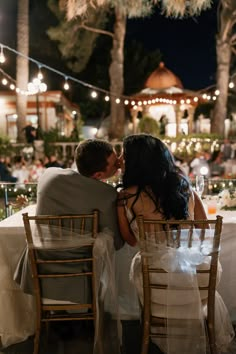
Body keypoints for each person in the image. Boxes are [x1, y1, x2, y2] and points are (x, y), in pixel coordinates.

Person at [116, 134, 234, 353]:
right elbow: (205, 232)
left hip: (156, 285)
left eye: (124, 154)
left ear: (135, 161)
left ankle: (150, 328)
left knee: (140, 265)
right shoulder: (185, 189)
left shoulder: (124, 198)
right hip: (197, 280)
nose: (120, 158)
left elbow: (130, 241)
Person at [36, 139, 123, 250]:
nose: (119, 165)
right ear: (98, 174)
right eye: (115, 164)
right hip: (79, 263)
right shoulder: (106, 193)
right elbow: (115, 242)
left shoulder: (48, 174)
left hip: (39, 259)